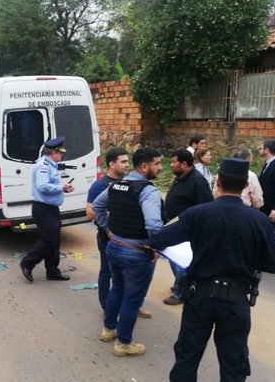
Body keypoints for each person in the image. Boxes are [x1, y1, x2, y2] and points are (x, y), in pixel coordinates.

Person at [148, 158, 275, 382]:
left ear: (217, 182)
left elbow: (159, 238)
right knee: (234, 360)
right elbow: (274, 264)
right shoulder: (258, 221)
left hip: (200, 296)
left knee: (188, 351)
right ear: (245, 186)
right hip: (236, 302)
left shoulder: (198, 214)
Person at [92, 147, 164, 357]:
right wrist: (156, 246)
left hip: (114, 248)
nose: (160, 168)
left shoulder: (116, 185)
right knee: (132, 298)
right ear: (144, 166)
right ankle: (123, 343)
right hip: (136, 252)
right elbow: (153, 223)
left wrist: (109, 230)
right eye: (157, 164)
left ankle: (108, 330)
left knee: (117, 289)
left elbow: (97, 207)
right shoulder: (147, 191)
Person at [86, 148, 152, 317]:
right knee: (107, 273)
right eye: (123, 162)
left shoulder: (128, 182)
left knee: (129, 276)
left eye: (128, 161)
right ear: (112, 164)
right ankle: (107, 307)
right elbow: (90, 212)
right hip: (108, 238)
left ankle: (133, 305)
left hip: (129, 239)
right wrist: (109, 228)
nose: (127, 165)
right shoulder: (99, 185)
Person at [19, 137, 74, 283]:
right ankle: (27, 262)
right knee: (48, 240)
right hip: (43, 209)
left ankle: (52, 271)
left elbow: (50, 185)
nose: (62, 155)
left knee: (54, 241)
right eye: (60, 152)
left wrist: (64, 188)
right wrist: (60, 187)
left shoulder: (51, 165)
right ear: (54, 153)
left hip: (51, 209)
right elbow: (42, 186)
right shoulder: (43, 166)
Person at [162, 149, 213, 305]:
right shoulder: (181, 178)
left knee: (181, 263)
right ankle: (180, 285)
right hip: (174, 227)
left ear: (184, 164)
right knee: (173, 259)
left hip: (187, 231)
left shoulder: (197, 182)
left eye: (174, 162)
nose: (171, 165)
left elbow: (206, 207)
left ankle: (181, 292)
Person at [258, 139, 275, 247]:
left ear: (266, 150)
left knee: (274, 238)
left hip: (272, 209)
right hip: (266, 208)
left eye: (261, 148)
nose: (260, 150)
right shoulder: (268, 164)